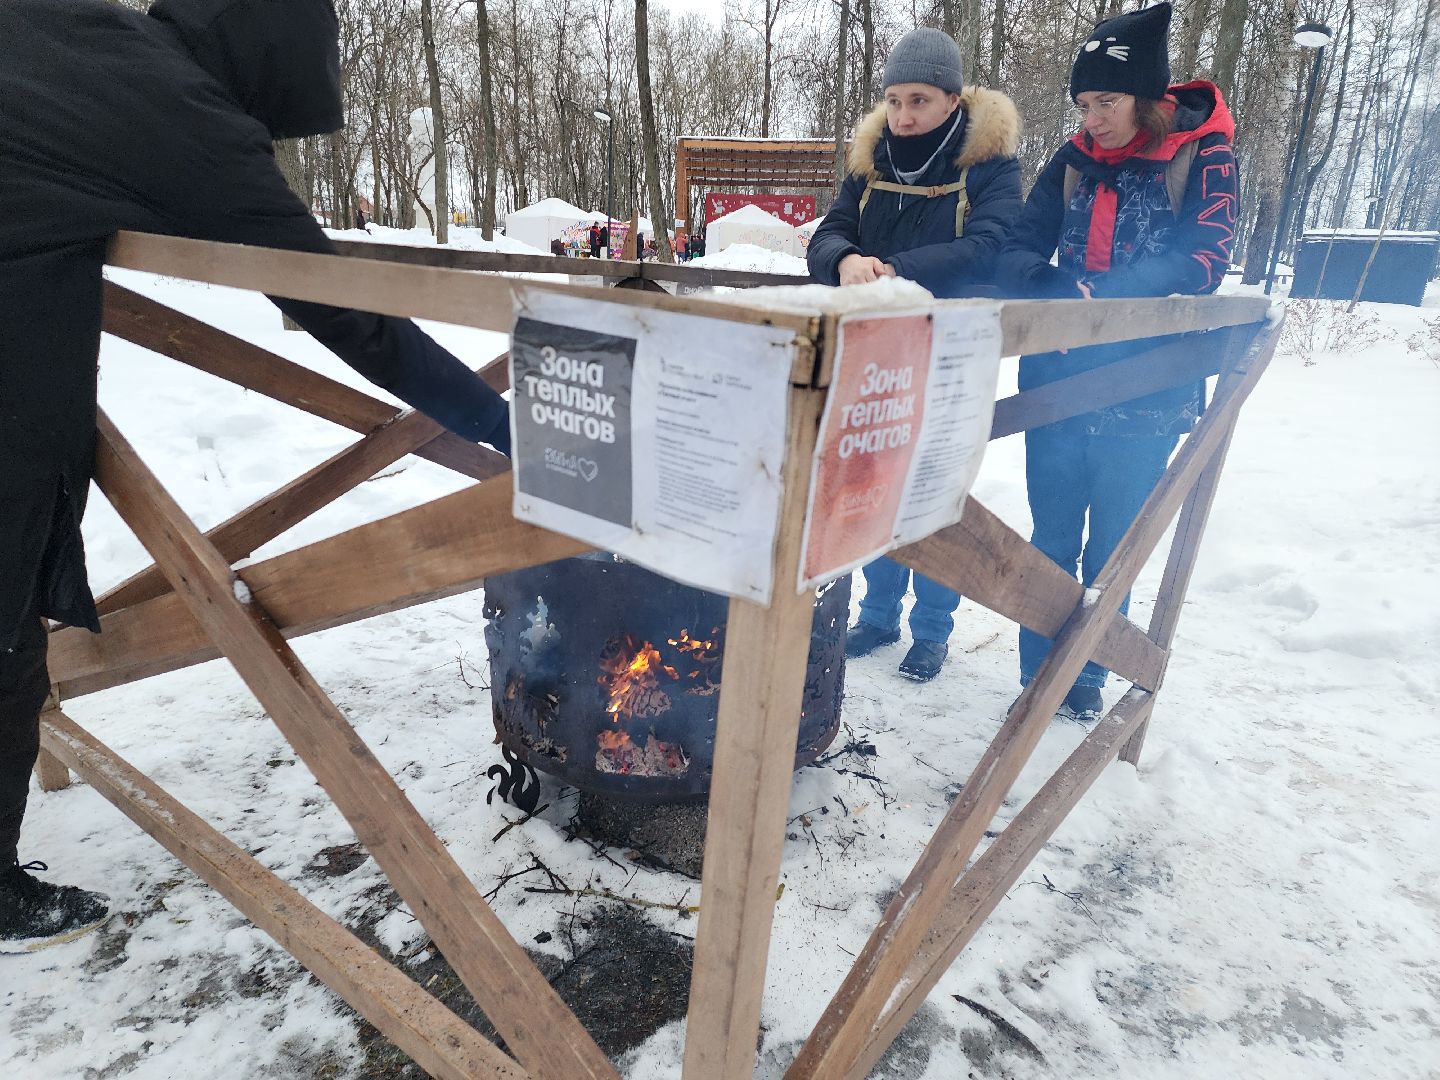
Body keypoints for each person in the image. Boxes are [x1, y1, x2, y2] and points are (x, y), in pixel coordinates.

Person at [0, 0, 513, 953]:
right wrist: (500, 426)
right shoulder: (174, 110)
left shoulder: (77, 33)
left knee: (12, 651)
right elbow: (346, 308)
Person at [997, 1, 1238, 719]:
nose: (1091, 117)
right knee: (1051, 540)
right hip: (1056, 382)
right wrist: (1049, 284)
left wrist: (1106, 297)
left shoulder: (1204, 153)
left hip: (1149, 389)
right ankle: (1035, 679)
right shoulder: (1071, 160)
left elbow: (1204, 257)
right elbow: (1016, 245)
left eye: (1105, 101)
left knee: (1113, 549)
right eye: (1083, 103)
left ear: (1148, 98)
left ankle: (1089, 678)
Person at [807, 26, 1022, 682]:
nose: (903, 116)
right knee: (872, 480)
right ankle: (877, 614)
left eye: (919, 101)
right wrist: (843, 258)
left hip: (951, 352)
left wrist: (892, 269)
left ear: (953, 101)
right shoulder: (871, 159)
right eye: (895, 100)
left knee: (932, 488)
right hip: (878, 355)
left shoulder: (988, 164)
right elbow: (831, 230)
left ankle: (932, 628)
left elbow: (992, 243)